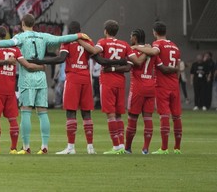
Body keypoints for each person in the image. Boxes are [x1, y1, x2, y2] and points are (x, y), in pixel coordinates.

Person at [0, 13, 87, 154]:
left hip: (27, 77)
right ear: (33, 24)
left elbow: (7, 43)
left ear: (23, 24)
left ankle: (26, 147)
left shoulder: (20, 37)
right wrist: (78, 36)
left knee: (26, 112)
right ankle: (44, 146)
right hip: (41, 76)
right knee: (42, 112)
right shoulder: (42, 36)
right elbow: (62, 38)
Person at [29, 20, 96, 154]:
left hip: (73, 78)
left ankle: (71, 147)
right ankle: (90, 147)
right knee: (86, 113)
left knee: (71, 112)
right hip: (85, 78)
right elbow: (95, 56)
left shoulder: (67, 42)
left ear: (69, 32)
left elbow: (60, 59)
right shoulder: (88, 41)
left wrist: (40, 61)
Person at [77, 19, 132, 154]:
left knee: (111, 115)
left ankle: (116, 146)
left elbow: (93, 50)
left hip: (107, 81)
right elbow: (130, 65)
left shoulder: (103, 42)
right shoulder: (124, 44)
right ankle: (122, 145)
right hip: (120, 81)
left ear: (105, 31)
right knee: (119, 115)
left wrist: (78, 39)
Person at [0, 26, 43, 154]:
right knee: (12, 119)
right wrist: (41, 67)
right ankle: (13, 148)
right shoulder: (15, 50)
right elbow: (27, 65)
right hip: (10, 89)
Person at [131, 21, 183, 154]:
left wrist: (137, 47)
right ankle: (177, 148)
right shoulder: (175, 47)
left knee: (164, 115)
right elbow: (178, 68)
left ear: (154, 32)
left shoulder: (158, 44)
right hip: (174, 85)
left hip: (162, 85)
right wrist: (175, 81)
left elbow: (153, 52)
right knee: (177, 116)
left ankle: (164, 148)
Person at [125, 28, 157, 154]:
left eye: (131, 36)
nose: (130, 38)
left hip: (138, 87)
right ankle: (145, 149)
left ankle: (127, 148)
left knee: (132, 118)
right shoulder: (151, 50)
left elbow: (134, 65)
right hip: (151, 86)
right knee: (148, 118)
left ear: (135, 37)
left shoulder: (133, 50)